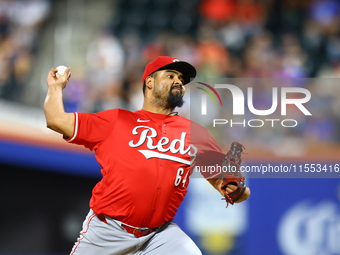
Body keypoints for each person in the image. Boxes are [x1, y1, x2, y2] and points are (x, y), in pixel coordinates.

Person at [44, 56, 251, 255]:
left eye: (181, 79)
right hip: (108, 232)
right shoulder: (117, 120)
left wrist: (236, 189)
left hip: (159, 236)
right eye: (170, 76)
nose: (178, 81)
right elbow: (56, 119)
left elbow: (229, 187)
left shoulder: (196, 134)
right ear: (150, 82)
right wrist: (55, 88)